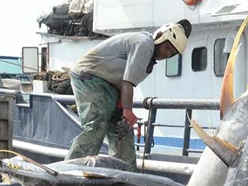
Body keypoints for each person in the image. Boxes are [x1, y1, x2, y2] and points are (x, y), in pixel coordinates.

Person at [64, 20, 191, 167]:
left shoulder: (149, 55)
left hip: (110, 84)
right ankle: (71, 168)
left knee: (123, 132)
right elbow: (127, 82)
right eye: (168, 48)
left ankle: (122, 173)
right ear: (160, 37)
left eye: (172, 53)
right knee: (97, 126)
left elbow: (122, 81)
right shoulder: (144, 44)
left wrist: (123, 116)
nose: (168, 54)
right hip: (90, 77)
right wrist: (127, 112)